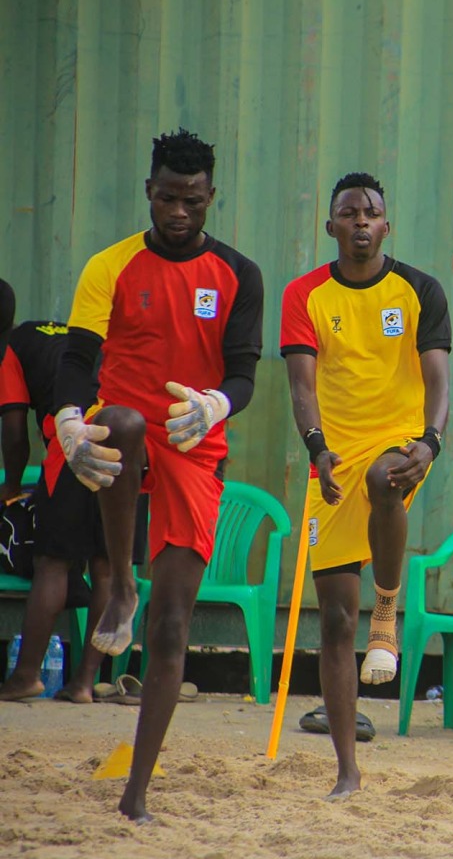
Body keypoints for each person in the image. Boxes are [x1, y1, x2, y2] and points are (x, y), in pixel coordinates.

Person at [53, 128, 263, 821]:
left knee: (172, 626)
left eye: (192, 201)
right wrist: (67, 419)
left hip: (193, 438)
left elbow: (243, 372)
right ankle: (120, 581)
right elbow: (77, 359)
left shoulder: (238, 273)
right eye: (168, 198)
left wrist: (216, 404)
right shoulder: (110, 265)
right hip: (122, 432)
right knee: (122, 419)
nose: (178, 212)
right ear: (149, 190)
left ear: (211, 198)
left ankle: (136, 792)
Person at [280, 172, 451, 799]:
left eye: (370, 212)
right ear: (331, 226)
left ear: (386, 226)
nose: (360, 221)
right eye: (348, 213)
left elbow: (439, 381)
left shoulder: (419, 290)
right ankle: (347, 770)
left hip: (400, 440)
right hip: (332, 456)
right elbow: (302, 386)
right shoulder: (304, 294)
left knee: (386, 478)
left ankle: (386, 609)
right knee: (332, 620)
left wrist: (429, 442)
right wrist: (316, 448)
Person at [0, 279, 112, 703]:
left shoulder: (10, 349)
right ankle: (83, 683)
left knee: (52, 563)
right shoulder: (50, 334)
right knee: (106, 566)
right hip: (124, 440)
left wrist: (11, 485)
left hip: (74, 446)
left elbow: (14, 432)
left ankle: (26, 676)